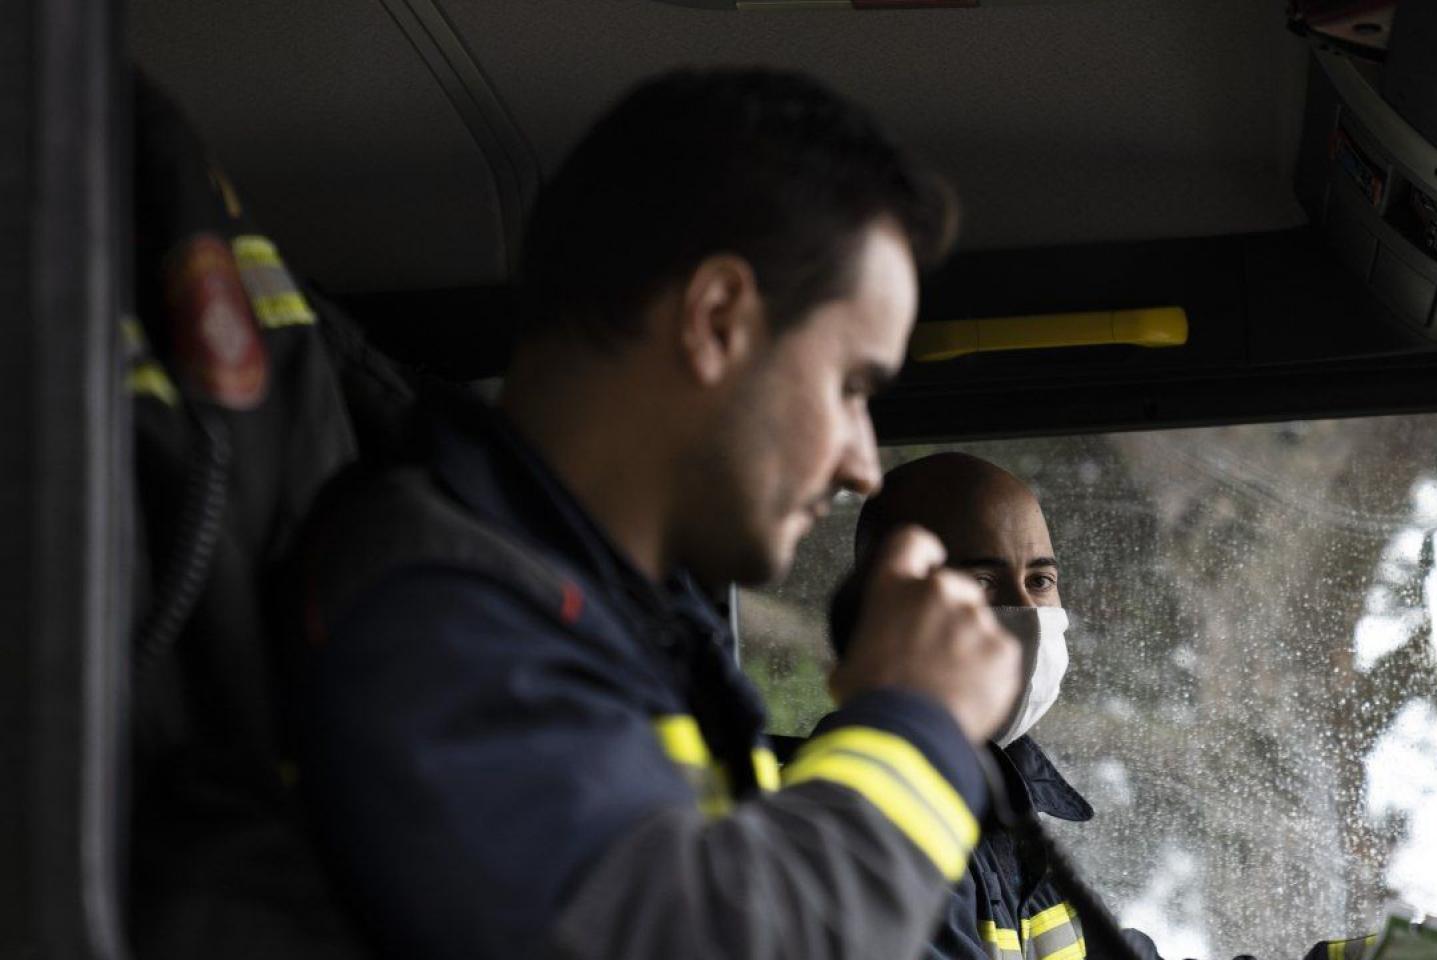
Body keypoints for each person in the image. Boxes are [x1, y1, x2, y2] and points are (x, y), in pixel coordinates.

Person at [289, 68, 1023, 960]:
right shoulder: (436, 613)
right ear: (716, 320)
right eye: (851, 387)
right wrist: (919, 721)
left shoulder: (626, 632)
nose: (864, 468)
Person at [843, 452, 1437, 960]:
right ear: (884, 607)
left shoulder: (1008, 831)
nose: (1024, 613)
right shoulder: (851, 824)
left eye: (1040, 581)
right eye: (982, 583)